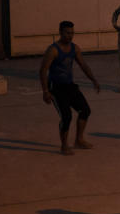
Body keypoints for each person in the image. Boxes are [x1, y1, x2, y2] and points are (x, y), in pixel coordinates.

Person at [39, 20, 101, 156]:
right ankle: (64, 145)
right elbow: (43, 70)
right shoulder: (53, 50)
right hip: (56, 88)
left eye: (72, 33)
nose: (70, 36)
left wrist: (94, 80)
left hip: (70, 86)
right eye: (67, 33)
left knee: (85, 111)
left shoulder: (75, 48)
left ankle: (79, 140)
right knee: (66, 117)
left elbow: (83, 65)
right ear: (60, 32)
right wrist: (45, 91)